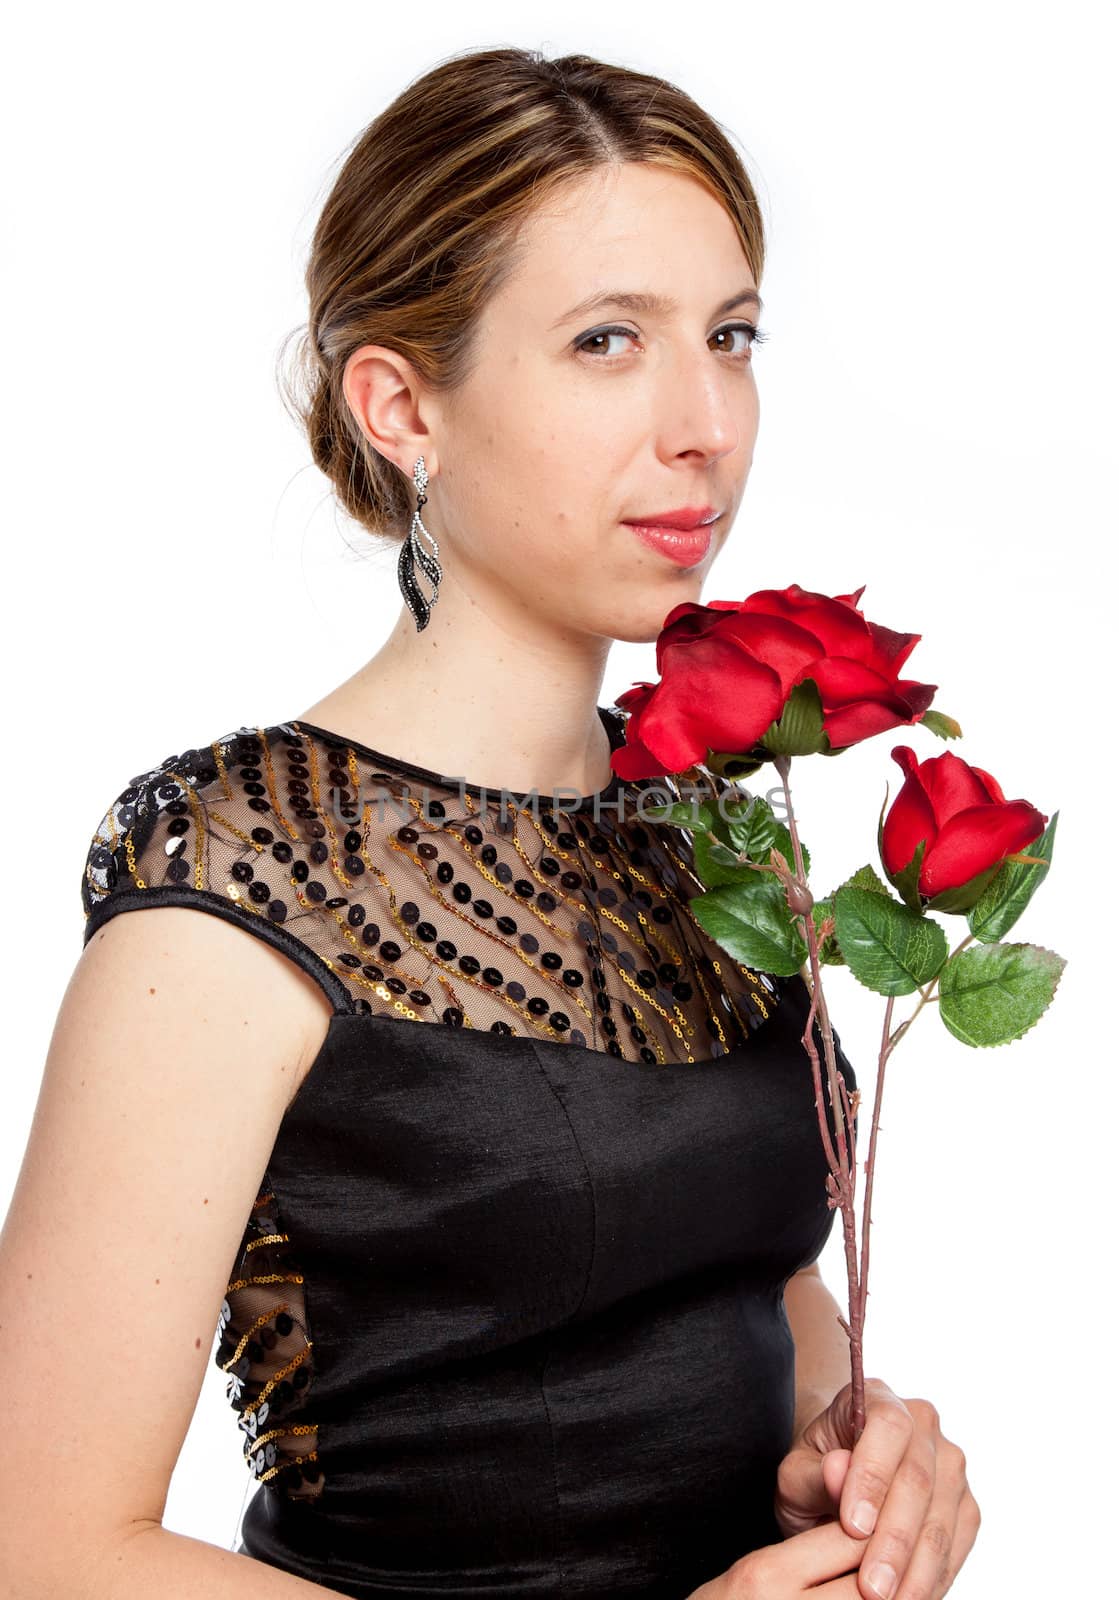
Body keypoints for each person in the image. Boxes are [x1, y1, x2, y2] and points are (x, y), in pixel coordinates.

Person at [0, 44, 978, 1600]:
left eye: (730, 336)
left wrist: (858, 1436)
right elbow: (42, 1550)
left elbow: (753, 1274)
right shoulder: (236, 879)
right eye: (608, 340)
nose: (706, 422)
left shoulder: (711, 828)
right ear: (400, 403)